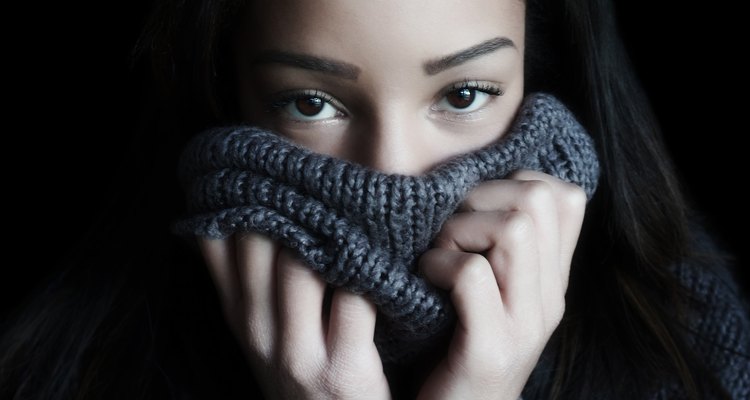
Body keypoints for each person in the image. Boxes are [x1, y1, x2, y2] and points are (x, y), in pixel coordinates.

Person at [2, 0, 748, 399]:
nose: (392, 173)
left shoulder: (693, 345)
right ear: (229, 93)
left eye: (462, 94)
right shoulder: (71, 365)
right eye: (310, 104)